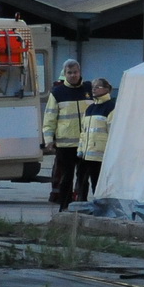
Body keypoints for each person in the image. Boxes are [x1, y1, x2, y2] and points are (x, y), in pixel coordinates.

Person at [41, 59, 93, 210]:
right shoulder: (58, 93)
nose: (73, 75)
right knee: (66, 178)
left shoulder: (89, 89)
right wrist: (49, 140)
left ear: (80, 72)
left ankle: (82, 206)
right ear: (64, 74)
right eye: (69, 73)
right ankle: (64, 207)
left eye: (75, 72)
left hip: (85, 143)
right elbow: (49, 118)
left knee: (83, 178)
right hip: (65, 145)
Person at [75, 79, 116, 198]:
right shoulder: (90, 108)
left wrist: (110, 154)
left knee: (96, 183)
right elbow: (84, 132)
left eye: (98, 87)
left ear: (107, 89)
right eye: (93, 87)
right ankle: (81, 205)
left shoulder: (111, 107)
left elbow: (112, 132)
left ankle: (99, 206)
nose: (94, 89)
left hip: (100, 156)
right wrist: (80, 150)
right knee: (81, 181)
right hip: (85, 155)